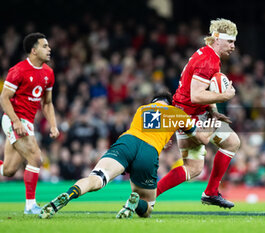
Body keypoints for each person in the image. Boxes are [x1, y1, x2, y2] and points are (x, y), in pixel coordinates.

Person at [39, 92, 214, 219]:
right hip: (149, 151)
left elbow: (151, 126)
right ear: (170, 104)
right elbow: (202, 139)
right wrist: (214, 122)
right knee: (147, 208)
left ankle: (69, 194)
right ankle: (135, 202)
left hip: (127, 142)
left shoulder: (142, 109)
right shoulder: (177, 114)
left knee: (96, 178)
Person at [156, 18, 240, 208]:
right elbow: (196, 95)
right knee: (231, 143)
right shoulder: (208, 62)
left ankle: (150, 195)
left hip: (185, 113)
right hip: (191, 116)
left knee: (193, 169)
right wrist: (223, 96)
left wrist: (215, 111)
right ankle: (210, 192)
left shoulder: (207, 55)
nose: (233, 46)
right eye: (230, 41)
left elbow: (202, 91)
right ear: (217, 39)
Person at [0, 32, 59, 214]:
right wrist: (16, 121)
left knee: (8, 171)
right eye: (44, 46)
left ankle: (30, 205)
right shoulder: (18, 70)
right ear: (33, 51)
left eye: (48, 46)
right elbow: (4, 98)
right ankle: (30, 206)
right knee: (36, 157)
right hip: (13, 119)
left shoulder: (48, 73)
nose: (49, 49)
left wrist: (53, 125)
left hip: (28, 123)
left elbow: (47, 103)